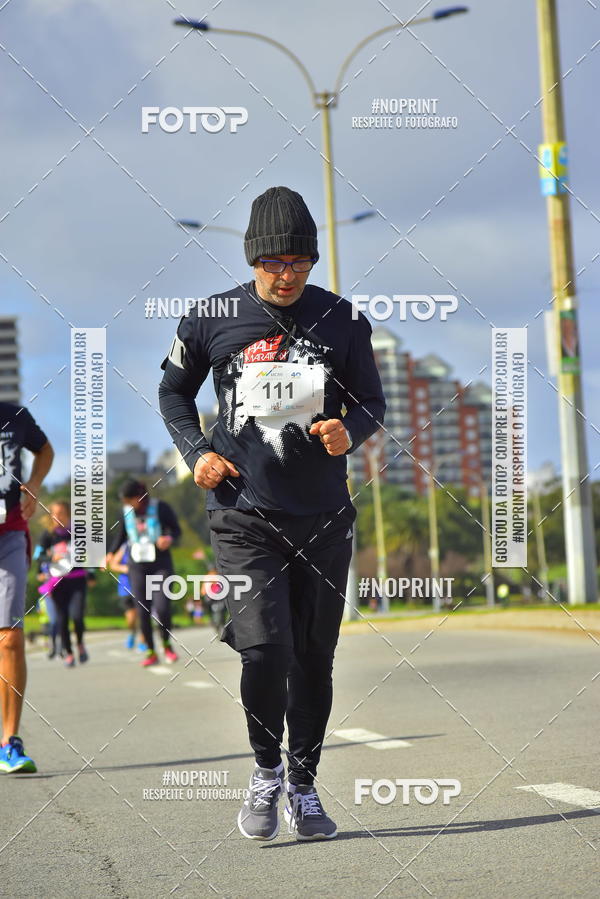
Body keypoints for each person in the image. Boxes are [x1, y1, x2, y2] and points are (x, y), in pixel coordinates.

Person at [159, 186, 385, 841]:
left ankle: (304, 785)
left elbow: (371, 401)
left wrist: (353, 430)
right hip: (242, 514)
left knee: (314, 656)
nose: (285, 275)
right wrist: (195, 451)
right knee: (265, 649)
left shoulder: (342, 320)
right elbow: (174, 390)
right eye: (273, 263)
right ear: (253, 260)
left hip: (322, 515)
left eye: (298, 262)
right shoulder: (211, 319)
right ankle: (265, 771)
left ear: (312, 261)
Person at [0, 401, 53, 773]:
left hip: (10, 534)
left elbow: (45, 449)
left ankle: (9, 742)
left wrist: (33, 484)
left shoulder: (12, 415)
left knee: (10, 637)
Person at [105, 480, 181, 667]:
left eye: (129, 500)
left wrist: (168, 538)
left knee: (162, 608)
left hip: (161, 564)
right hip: (137, 566)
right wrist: (111, 553)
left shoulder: (160, 507)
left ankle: (166, 644)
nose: (127, 504)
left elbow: (176, 530)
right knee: (142, 610)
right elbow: (121, 536)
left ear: (139, 497)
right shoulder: (126, 512)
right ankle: (150, 651)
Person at [35, 501, 90, 668]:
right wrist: (49, 559)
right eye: (55, 513)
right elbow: (38, 556)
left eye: (62, 513)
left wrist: (92, 572)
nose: (58, 517)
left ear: (69, 514)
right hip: (57, 582)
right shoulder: (48, 535)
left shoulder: (78, 531)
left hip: (77, 579)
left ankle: (80, 643)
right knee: (62, 619)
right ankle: (69, 653)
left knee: (77, 616)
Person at [108, 543, 147, 652]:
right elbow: (113, 565)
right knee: (131, 618)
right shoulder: (125, 547)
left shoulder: (146, 545)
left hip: (143, 586)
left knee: (143, 615)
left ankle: (143, 641)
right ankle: (132, 632)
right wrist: (126, 569)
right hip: (126, 587)